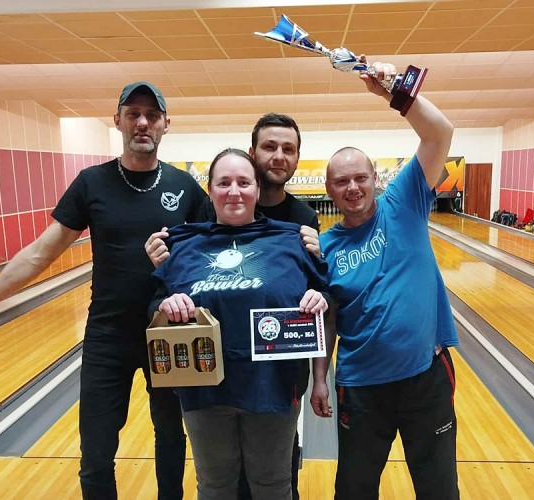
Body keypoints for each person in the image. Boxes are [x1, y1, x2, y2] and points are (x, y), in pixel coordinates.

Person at [0, 82, 207, 500]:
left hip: (166, 334)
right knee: (95, 451)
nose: (142, 123)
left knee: (170, 437)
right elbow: (40, 252)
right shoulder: (92, 183)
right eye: (133, 113)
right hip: (107, 337)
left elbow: (215, 252)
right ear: (117, 121)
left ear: (166, 124)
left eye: (152, 115)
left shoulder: (184, 187)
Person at [145, 112, 320, 500]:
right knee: (215, 486)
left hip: (273, 389)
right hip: (204, 390)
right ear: (209, 191)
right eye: (224, 183)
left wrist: (318, 298)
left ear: (257, 188)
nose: (234, 191)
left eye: (243, 182)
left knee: (272, 486)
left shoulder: (295, 239)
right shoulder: (183, 245)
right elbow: (154, 305)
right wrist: (167, 304)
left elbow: (322, 295)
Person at [309, 59, 459, 500]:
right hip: (359, 387)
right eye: (341, 181)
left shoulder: (404, 201)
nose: (352, 187)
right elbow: (327, 320)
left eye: (360, 177)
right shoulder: (325, 247)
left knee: (438, 490)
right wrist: (320, 377)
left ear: (376, 178)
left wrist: (394, 92)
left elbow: (440, 132)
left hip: (425, 377)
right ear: (329, 190)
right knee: (353, 491)